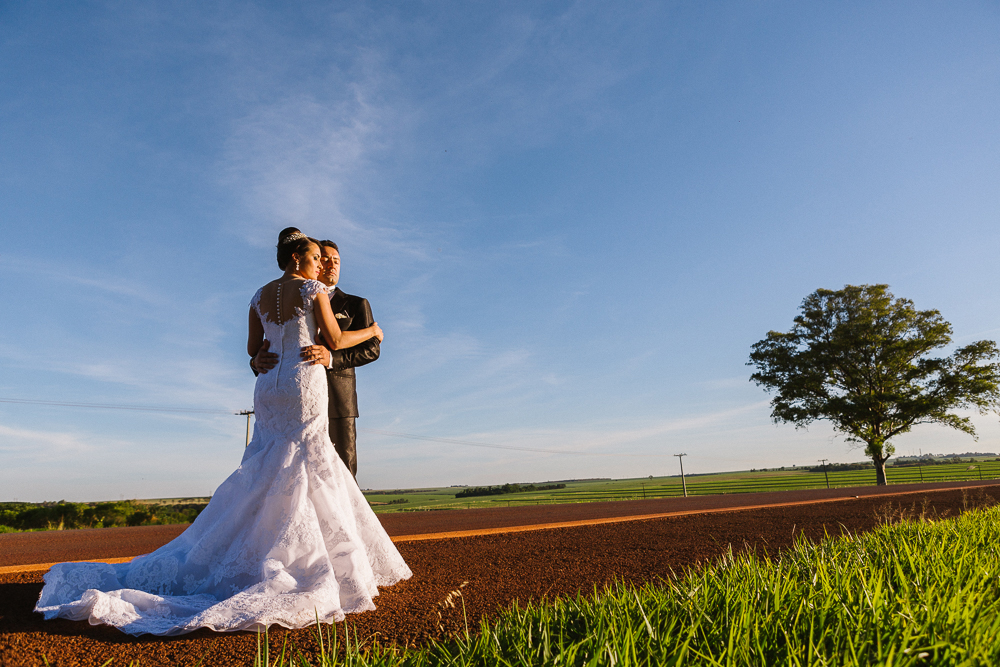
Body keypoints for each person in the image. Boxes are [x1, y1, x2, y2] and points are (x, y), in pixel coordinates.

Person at [35, 228, 412, 636]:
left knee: (270, 462)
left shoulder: (259, 295)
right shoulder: (312, 289)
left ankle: (258, 548)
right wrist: (374, 331)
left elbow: (254, 350)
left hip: (269, 386)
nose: (321, 264)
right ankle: (313, 561)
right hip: (304, 382)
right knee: (308, 460)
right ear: (297, 258)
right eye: (315, 257)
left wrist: (269, 356)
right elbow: (336, 339)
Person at [255, 240, 377, 477]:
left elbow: (372, 349)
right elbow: (270, 345)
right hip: (294, 394)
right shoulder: (295, 294)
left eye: (336, 261)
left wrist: (331, 359)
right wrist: (255, 362)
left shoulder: (356, 304)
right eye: (324, 258)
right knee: (291, 466)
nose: (330, 265)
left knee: (342, 472)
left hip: (339, 400)